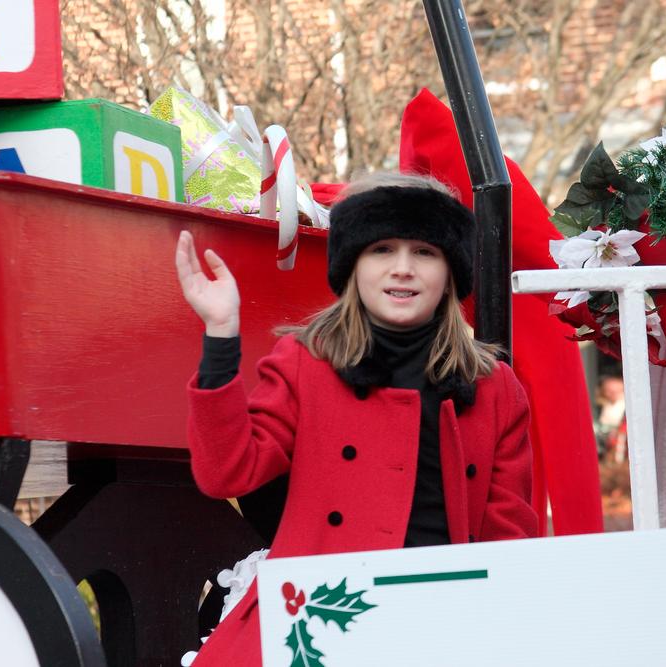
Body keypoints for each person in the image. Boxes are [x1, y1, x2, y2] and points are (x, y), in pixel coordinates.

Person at [175, 172, 537, 665]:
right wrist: (221, 336)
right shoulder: (304, 363)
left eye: (425, 252)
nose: (403, 269)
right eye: (382, 249)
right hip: (324, 617)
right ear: (353, 265)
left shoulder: (495, 387)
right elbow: (227, 473)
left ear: (451, 272)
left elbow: (508, 537)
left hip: (446, 622)